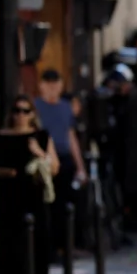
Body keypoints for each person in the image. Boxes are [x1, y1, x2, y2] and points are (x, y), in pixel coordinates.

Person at [0, 95, 58, 274]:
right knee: (11, 243)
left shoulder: (41, 137)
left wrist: (39, 152)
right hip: (10, 198)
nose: (20, 115)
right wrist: (4, 172)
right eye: (17, 111)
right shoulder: (1, 137)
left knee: (35, 243)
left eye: (25, 111)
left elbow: (54, 167)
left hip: (34, 197)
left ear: (32, 114)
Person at [34, 69, 86, 259]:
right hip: (45, 159)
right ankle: (48, 248)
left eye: (57, 86)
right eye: (49, 85)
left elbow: (70, 135)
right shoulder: (35, 106)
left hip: (65, 159)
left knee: (66, 205)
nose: (53, 90)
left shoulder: (65, 107)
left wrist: (80, 165)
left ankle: (65, 245)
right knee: (48, 204)